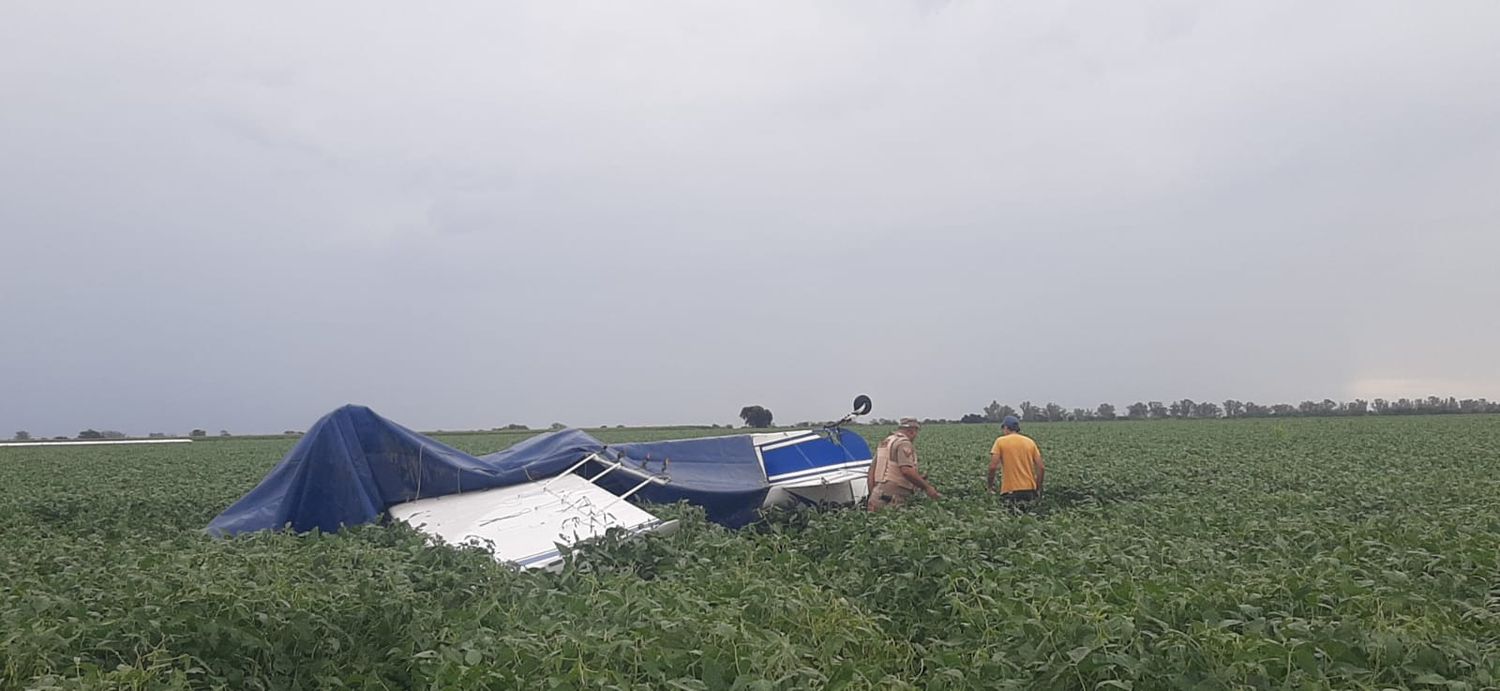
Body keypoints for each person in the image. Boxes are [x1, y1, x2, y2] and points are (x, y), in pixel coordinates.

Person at [867, 417, 941, 511]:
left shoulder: (886, 442)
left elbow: (871, 472)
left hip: (876, 497)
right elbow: (906, 471)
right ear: (912, 431)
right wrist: (927, 487)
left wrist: (872, 494)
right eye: (916, 432)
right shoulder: (903, 443)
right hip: (891, 499)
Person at [987, 415, 1044, 510]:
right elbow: (1041, 467)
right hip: (1029, 490)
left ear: (1006, 427)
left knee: (1010, 521)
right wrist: (1037, 487)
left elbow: (993, 467)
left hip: (1010, 491)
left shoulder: (1000, 441)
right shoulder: (1030, 442)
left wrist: (990, 487)